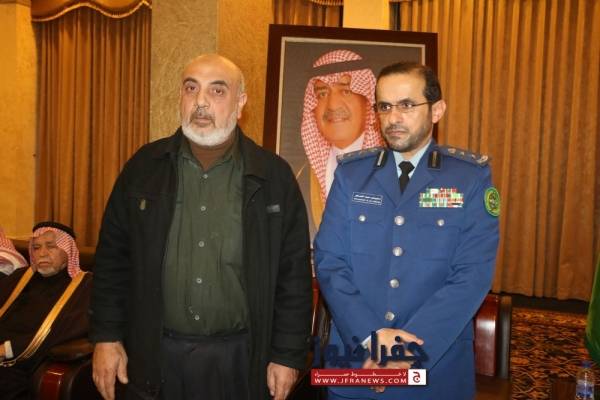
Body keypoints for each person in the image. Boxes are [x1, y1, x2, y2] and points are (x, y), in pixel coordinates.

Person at [90, 54, 312, 400]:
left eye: (217, 90)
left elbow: (293, 276)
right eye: (191, 88)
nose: (201, 102)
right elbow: (111, 260)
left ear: (240, 102)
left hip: (239, 359)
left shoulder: (274, 177)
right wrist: (106, 336)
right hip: (154, 354)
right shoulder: (144, 168)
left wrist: (287, 355)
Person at [314, 62, 500, 399]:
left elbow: (472, 275)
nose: (393, 117)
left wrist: (405, 351)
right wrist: (371, 336)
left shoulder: (469, 178)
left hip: (434, 367)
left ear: (437, 110)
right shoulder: (352, 175)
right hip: (358, 361)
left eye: (407, 105)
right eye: (385, 107)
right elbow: (329, 261)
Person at [0, 222, 92, 400]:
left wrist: (7, 349)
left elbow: (65, 330)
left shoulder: (84, 286)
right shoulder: (20, 277)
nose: (42, 253)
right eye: (36, 247)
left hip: (21, 367)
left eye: (51, 246)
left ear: (68, 251)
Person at [300, 49, 385, 229]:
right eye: (322, 94)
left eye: (346, 91)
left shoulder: (397, 169)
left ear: (367, 100)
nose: (332, 105)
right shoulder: (300, 179)